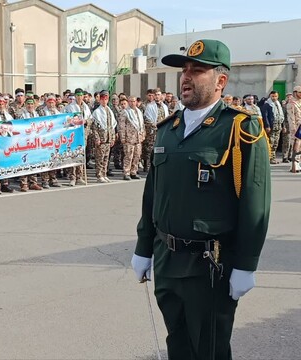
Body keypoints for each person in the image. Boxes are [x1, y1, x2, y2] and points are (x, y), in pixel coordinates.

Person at [131, 39, 271, 360]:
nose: (186, 77)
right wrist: (143, 247)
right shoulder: (168, 129)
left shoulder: (239, 128)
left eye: (197, 70)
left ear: (221, 80)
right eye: (184, 70)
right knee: (177, 345)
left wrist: (246, 265)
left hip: (210, 265)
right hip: (167, 259)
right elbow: (153, 194)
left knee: (209, 351)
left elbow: (255, 202)